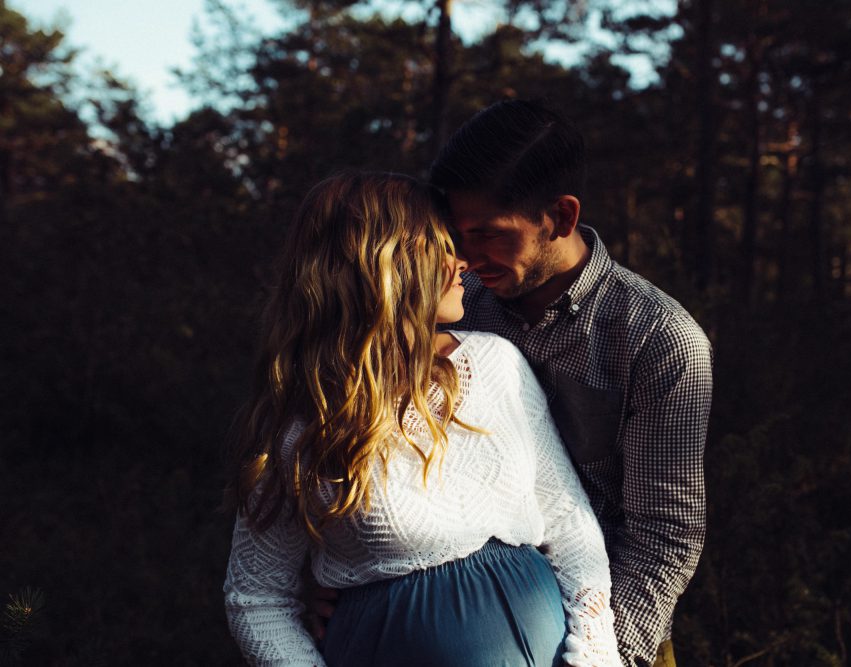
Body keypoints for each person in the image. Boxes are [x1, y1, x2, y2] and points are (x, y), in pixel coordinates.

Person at [222, 170, 623, 667]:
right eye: (442, 250)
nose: (464, 265)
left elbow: (567, 519)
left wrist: (596, 652)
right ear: (385, 269)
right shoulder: (306, 427)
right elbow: (257, 599)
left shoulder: (496, 364)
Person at [428, 100, 714, 667]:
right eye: (455, 235)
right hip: (469, 631)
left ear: (559, 216)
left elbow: (664, 534)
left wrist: (601, 653)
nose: (464, 256)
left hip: (611, 630)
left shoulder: (660, 340)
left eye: (486, 234)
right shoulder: (454, 310)